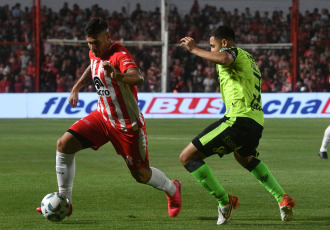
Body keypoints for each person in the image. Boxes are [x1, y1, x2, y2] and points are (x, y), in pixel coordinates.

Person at [36, 18, 182, 218]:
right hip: (102, 117)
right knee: (64, 145)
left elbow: (138, 77)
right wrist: (76, 87)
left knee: (141, 175)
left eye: (96, 42)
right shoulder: (95, 53)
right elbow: (92, 66)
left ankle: (173, 189)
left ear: (108, 37)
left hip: (127, 125)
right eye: (89, 43)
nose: (92, 47)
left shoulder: (119, 55)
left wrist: (118, 76)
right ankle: (65, 201)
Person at [179, 25, 295, 225]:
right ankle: (282, 198)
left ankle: (225, 201)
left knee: (187, 157)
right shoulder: (249, 59)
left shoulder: (231, 51)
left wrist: (194, 50)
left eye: (213, 46)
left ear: (224, 43)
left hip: (238, 120)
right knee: (244, 157)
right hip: (256, 122)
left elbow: (224, 58)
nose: (212, 50)